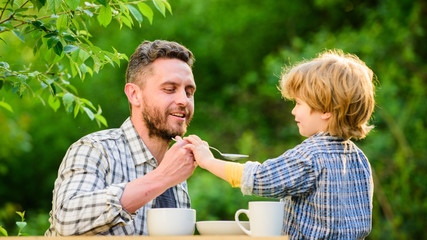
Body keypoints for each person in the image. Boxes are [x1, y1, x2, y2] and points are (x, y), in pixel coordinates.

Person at [184, 50, 375, 239]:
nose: (293, 111)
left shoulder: (310, 156)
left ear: (325, 109)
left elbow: (259, 179)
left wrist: (208, 161)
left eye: (298, 103)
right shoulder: (359, 158)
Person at [46, 40, 197, 236]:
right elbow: (67, 219)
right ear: (134, 94)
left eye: (189, 92)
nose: (183, 100)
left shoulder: (176, 173)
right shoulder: (94, 149)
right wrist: (162, 177)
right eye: (169, 89)